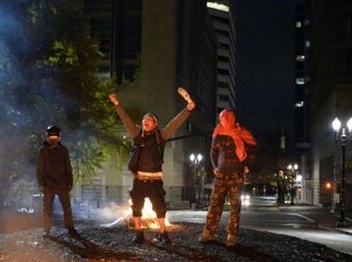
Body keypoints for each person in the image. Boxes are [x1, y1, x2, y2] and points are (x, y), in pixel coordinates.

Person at [109, 87, 195, 244]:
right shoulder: (137, 136)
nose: (144, 121)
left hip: (155, 180)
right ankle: (139, 234)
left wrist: (188, 110)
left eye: (148, 120)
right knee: (137, 207)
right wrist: (117, 104)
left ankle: (163, 234)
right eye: (143, 120)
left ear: (155, 124)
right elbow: (126, 120)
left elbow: (175, 123)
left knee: (160, 208)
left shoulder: (161, 136)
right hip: (139, 179)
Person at [198, 108, 257, 246]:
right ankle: (209, 232)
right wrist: (215, 168)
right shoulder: (218, 134)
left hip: (237, 175)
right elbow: (213, 153)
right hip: (221, 175)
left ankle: (231, 234)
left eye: (225, 118)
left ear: (231, 119)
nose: (222, 121)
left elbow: (253, 149)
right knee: (214, 204)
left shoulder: (241, 133)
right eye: (221, 118)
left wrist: (247, 164)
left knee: (235, 206)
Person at [36, 125, 81, 239]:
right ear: (47, 137)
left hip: (62, 184)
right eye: (51, 137)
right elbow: (39, 170)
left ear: (59, 137)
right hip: (48, 185)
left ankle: (70, 227)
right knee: (47, 209)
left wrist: (69, 182)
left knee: (67, 208)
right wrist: (41, 184)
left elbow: (68, 168)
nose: (53, 139)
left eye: (55, 137)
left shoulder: (63, 151)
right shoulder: (43, 151)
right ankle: (46, 229)